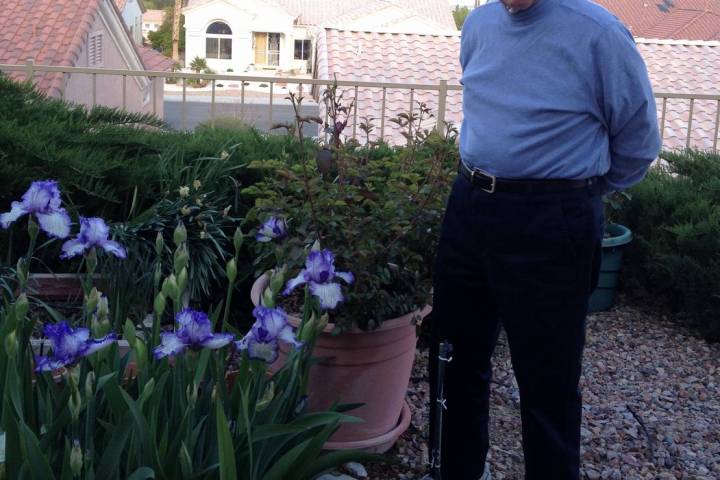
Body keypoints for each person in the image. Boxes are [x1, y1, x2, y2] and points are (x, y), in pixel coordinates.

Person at [429, 0, 661, 479]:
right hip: (470, 205)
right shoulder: (479, 25)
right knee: (455, 358)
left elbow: (638, 143)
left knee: (547, 380)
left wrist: (571, 195)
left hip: (551, 221)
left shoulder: (598, 33)